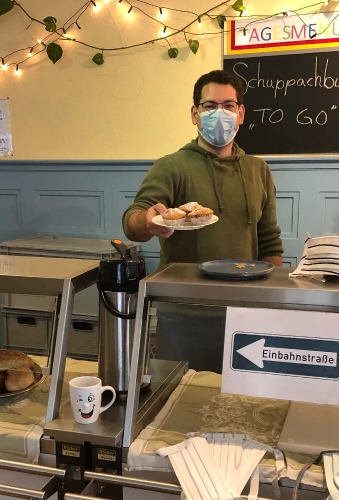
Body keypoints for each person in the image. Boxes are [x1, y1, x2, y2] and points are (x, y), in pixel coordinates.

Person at [122, 70, 283, 372]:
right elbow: (133, 220)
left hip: (244, 312)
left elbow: (269, 240)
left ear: (241, 114)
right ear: (195, 114)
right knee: (175, 404)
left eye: (228, 105)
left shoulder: (258, 170)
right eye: (209, 106)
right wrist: (149, 220)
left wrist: (270, 303)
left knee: (241, 403)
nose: (219, 113)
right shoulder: (171, 166)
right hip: (184, 314)